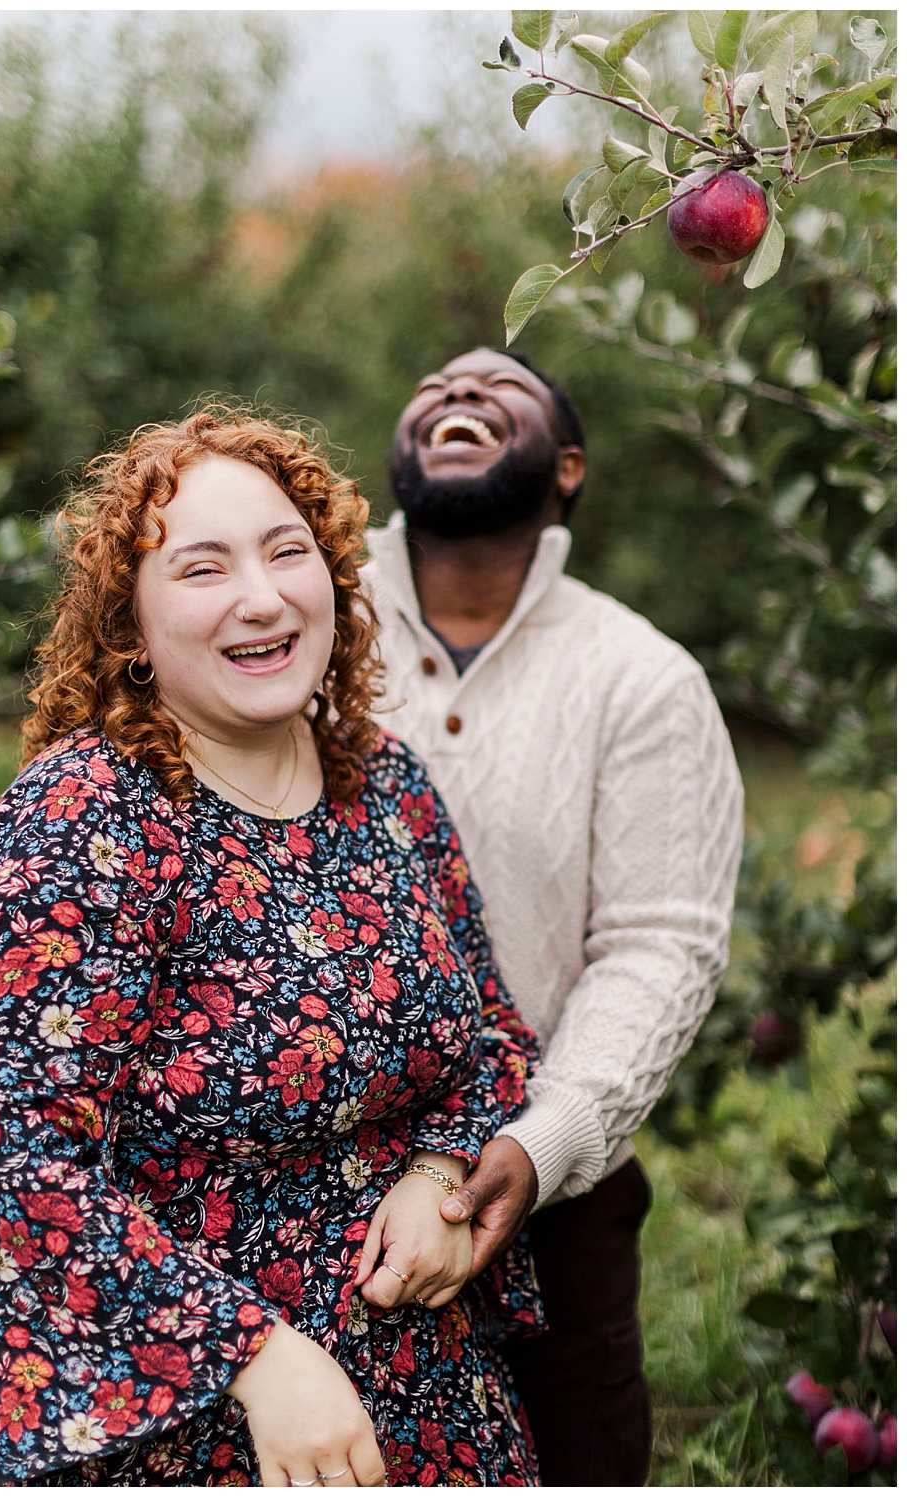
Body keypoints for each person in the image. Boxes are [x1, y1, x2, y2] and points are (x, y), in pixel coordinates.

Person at [0, 406, 544, 1487]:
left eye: (285, 553)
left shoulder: (382, 783)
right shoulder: (82, 824)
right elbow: (17, 1171)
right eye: (201, 569)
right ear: (129, 620)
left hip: (429, 1396)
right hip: (191, 1425)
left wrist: (441, 1176)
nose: (261, 598)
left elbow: (492, 1041)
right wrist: (255, 1360)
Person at [370, 347, 744, 1484]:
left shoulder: (638, 679)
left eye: (501, 391)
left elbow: (656, 944)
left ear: (566, 467)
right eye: (429, 386)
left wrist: (543, 1142)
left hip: (546, 1190)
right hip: (289, 1175)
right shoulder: (292, 623)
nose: (456, 394)